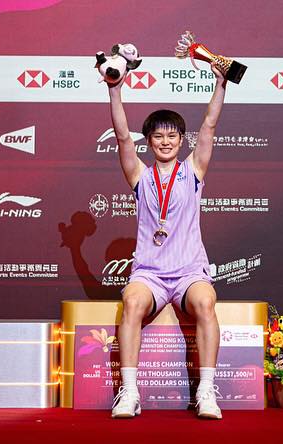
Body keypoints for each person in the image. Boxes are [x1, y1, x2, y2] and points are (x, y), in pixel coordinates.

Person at [106, 62, 227, 419]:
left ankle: (206, 391)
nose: (165, 141)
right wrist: (114, 89)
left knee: (206, 301)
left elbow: (209, 125)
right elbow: (122, 137)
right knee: (131, 301)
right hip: (150, 274)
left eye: (172, 136)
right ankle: (130, 392)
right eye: (158, 136)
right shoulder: (139, 175)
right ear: (149, 141)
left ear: (181, 140)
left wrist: (221, 84)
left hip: (189, 271)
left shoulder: (194, 170)